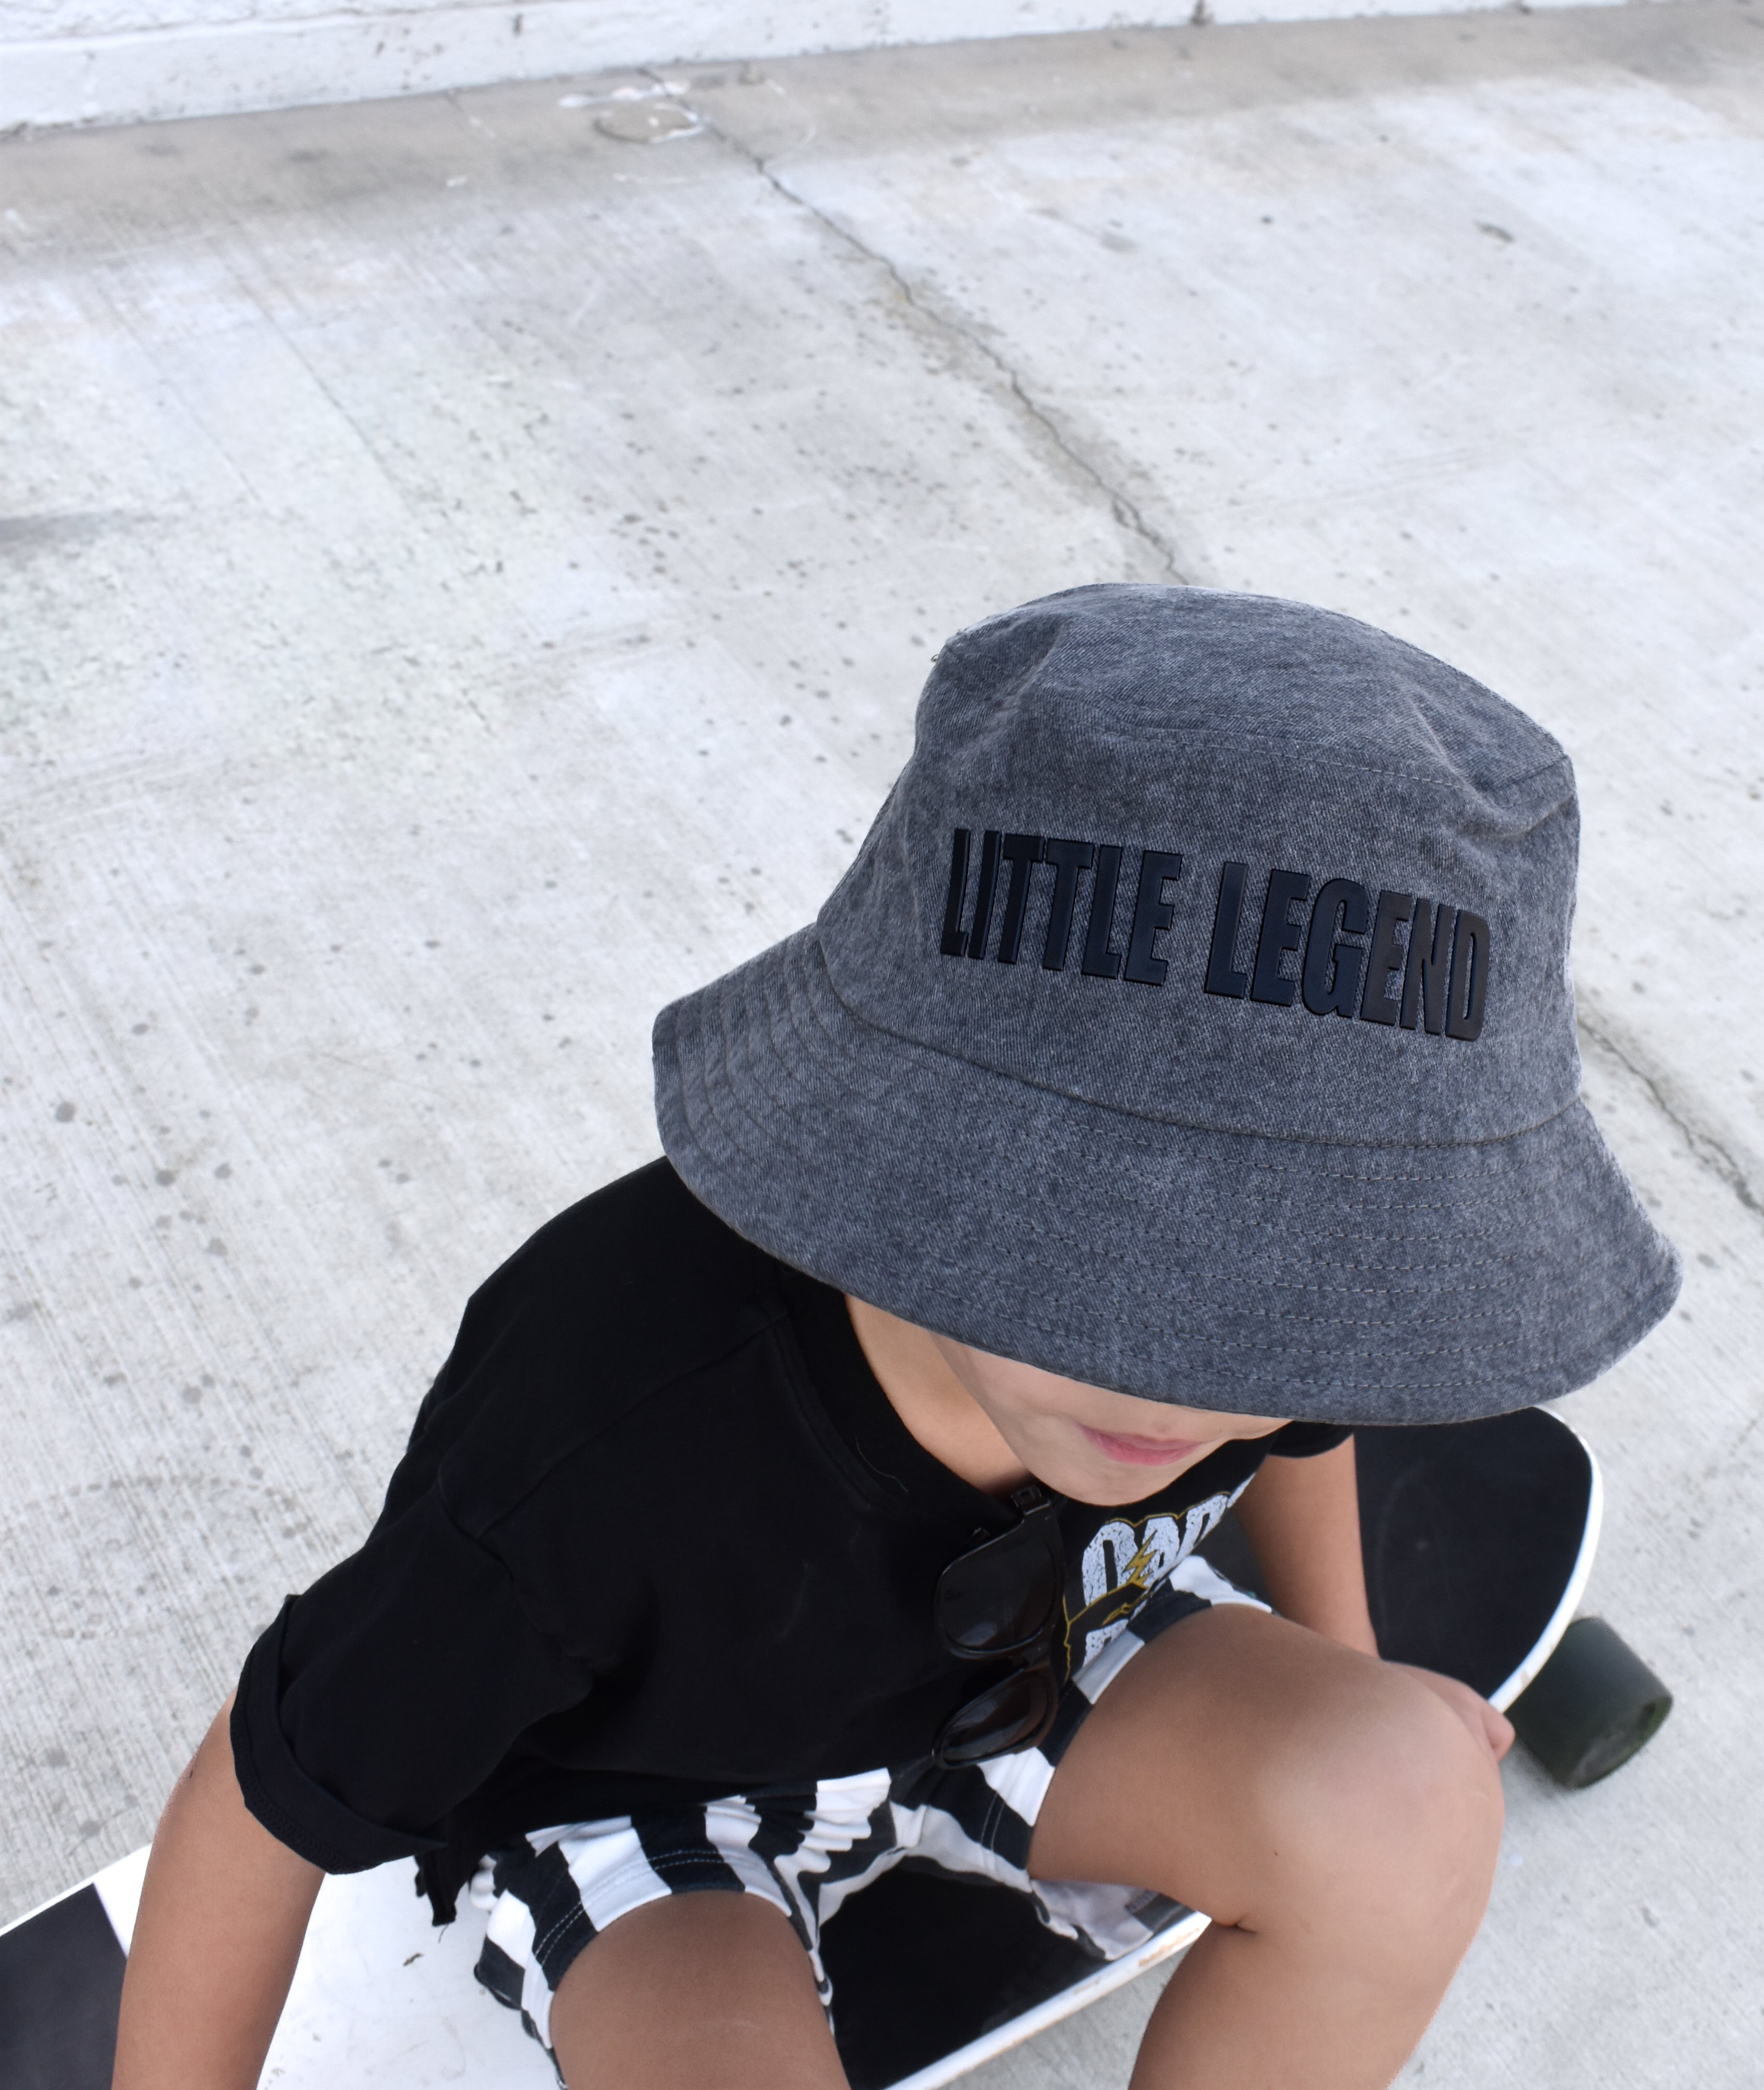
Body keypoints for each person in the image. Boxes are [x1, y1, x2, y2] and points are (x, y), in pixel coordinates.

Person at [112, 584, 1678, 2090]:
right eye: (1092, 1260)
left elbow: (1309, 1423)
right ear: (899, 1138)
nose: (1191, 1380)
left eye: (1281, 1287)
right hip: (658, 1805)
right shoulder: (594, 1443)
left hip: (1049, 1657)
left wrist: (1350, 1671)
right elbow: (263, 1803)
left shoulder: (1280, 1338)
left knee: (1407, 1802)